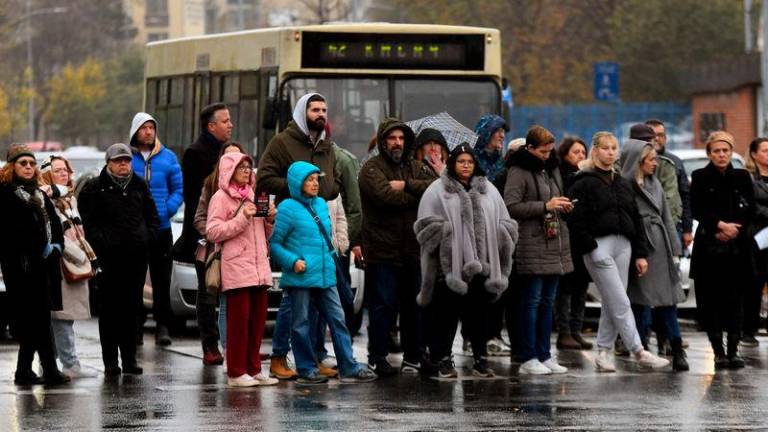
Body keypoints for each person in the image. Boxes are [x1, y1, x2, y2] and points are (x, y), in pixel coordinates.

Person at [567, 132, 670, 372]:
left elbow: (635, 217)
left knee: (614, 301)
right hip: (599, 246)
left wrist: (640, 253)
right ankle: (638, 349)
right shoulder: (582, 181)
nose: (611, 152)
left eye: (614, 148)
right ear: (595, 150)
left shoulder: (622, 181)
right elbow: (575, 219)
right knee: (620, 300)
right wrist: (590, 247)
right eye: (605, 148)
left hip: (624, 245)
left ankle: (603, 351)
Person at [257, 93, 341, 380]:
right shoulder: (282, 142)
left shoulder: (326, 145)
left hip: (317, 225)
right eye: (315, 109)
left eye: (324, 109)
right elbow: (264, 178)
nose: (320, 114)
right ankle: (279, 357)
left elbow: (332, 182)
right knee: (293, 303)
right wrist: (297, 186)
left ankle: (313, 356)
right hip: (292, 225)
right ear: (301, 112)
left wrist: (326, 187)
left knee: (317, 303)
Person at [415, 143, 518, 378]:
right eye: (461, 161)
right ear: (453, 163)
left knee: (479, 315)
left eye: (470, 162)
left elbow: (504, 220)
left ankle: (480, 359)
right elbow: (424, 225)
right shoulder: (437, 189)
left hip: (482, 266)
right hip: (449, 267)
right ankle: (443, 359)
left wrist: (502, 238)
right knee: (446, 316)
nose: (465, 166)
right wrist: (446, 234)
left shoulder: (488, 189)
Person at [270, 161, 377, 384]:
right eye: (309, 180)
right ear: (297, 183)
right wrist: (293, 262)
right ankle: (307, 368)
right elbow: (275, 245)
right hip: (301, 276)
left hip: (326, 275)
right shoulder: (288, 208)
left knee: (338, 320)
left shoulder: (320, 204)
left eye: (316, 179)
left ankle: (348, 365)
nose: (315, 184)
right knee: (300, 323)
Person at [359, 118, 436, 375]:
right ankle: (377, 356)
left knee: (414, 306)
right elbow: (385, 197)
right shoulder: (371, 168)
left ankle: (413, 356)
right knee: (383, 306)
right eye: (392, 138)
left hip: (412, 249)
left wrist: (406, 185)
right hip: (383, 251)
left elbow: (435, 189)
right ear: (383, 141)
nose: (397, 143)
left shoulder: (415, 166)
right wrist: (414, 196)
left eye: (401, 139)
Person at [80, 143, 160, 376]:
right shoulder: (95, 188)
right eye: (119, 161)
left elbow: (152, 216)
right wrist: (102, 242)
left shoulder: (139, 185)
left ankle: (129, 359)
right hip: (108, 260)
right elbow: (88, 223)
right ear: (109, 163)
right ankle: (110, 362)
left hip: (135, 258)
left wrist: (147, 237)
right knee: (109, 311)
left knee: (131, 310)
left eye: (126, 160)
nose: (124, 164)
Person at [205, 152, 279, 387]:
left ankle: (253, 368)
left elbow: (264, 235)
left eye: (249, 167)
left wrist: (269, 220)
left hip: (259, 268)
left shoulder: (255, 196)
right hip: (237, 267)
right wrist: (242, 219)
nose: (247, 171)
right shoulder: (220, 198)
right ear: (229, 171)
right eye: (241, 167)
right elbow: (213, 231)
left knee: (257, 322)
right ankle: (236, 372)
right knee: (238, 323)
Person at [504, 125, 573, 375]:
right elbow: (510, 206)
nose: (547, 155)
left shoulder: (552, 168)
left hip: (554, 240)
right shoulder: (518, 169)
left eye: (549, 151)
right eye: (543, 152)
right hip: (531, 242)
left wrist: (562, 205)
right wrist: (545, 205)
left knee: (548, 302)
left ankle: (545, 354)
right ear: (530, 148)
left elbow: (555, 197)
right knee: (531, 301)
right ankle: (528, 355)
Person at [0, 144, 69, 385]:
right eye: (23, 164)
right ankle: (44, 369)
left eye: (31, 164)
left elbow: (56, 225)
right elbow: (10, 233)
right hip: (22, 267)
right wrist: (37, 247)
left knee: (39, 318)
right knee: (33, 319)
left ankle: (29, 370)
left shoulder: (39, 194)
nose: (29, 167)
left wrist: (57, 246)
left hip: (45, 266)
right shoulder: (6, 195)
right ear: (12, 167)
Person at [619, 140, 689, 372]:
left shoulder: (654, 182)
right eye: (650, 160)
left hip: (660, 247)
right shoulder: (625, 186)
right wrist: (639, 251)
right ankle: (641, 348)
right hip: (641, 248)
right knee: (640, 301)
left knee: (667, 300)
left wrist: (675, 248)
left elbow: (666, 216)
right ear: (639, 162)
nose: (655, 163)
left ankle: (677, 349)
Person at [691, 131, 755, 370]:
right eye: (716, 151)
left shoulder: (741, 176)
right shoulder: (700, 176)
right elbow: (697, 207)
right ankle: (718, 350)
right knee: (711, 300)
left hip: (737, 245)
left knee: (735, 300)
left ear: (731, 152)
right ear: (709, 153)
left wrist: (735, 229)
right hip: (709, 243)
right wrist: (719, 225)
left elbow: (749, 207)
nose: (721, 155)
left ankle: (733, 349)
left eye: (725, 151)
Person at [179, 103, 233, 364]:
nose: (230, 125)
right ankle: (210, 345)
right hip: (205, 233)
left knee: (231, 291)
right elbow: (194, 201)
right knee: (207, 289)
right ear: (211, 126)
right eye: (225, 121)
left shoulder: (229, 152)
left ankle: (233, 345)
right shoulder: (196, 153)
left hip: (231, 232)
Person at [39, 155, 98, 378]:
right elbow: (58, 237)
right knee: (60, 316)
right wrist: (80, 256)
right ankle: (68, 364)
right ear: (46, 175)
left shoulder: (69, 200)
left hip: (72, 263)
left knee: (62, 317)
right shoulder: (47, 199)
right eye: (57, 170)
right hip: (62, 264)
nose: (64, 174)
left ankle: (51, 365)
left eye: (66, 170)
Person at [129, 112, 183, 347]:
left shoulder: (168, 158)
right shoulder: (126, 158)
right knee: (136, 278)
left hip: (161, 228)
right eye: (144, 128)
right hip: (135, 230)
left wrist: (166, 210)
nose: (149, 132)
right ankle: (136, 326)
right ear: (135, 132)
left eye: (152, 128)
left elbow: (178, 190)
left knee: (162, 279)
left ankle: (163, 326)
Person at [193, 142, 245, 363]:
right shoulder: (211, 184)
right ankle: (216, 346)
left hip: (241, 253)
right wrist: (218, 233)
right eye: (229, 158)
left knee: (238, 302)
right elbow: (200, 218)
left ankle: (240, 347)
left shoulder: (249, 187)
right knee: (214, 300)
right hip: (216, 252)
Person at [473, 114, 513, 356]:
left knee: (498, 283)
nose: (501, 136)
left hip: (498, 229)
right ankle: (475, 334)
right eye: (497, 132)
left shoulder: (503, 164)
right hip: (477, 231)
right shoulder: (471, 162)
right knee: (477, 285)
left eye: (502, 132)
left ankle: (494, 334)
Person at [554, 137, 593, 350]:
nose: (580, 156)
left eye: (583, 152)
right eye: (576, 152)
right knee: (565, 288)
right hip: (567, 236)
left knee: (581, 287)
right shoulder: (561, 176)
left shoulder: (587, 176)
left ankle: (576, 330)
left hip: (583, 237)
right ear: (565, 154)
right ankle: (564, 331)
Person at [744, 137, 768, 346]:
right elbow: (750, 205)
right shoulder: (749, 178)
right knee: (755, 284)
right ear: (754, 154)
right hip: (759, 237)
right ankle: (749, 329)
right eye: (765, 151)